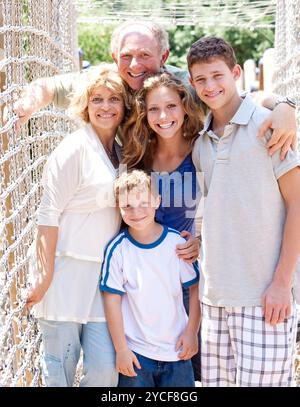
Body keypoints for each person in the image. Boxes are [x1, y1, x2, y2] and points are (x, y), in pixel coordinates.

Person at [13, 21, 297, 159]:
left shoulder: (181, 86)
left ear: (163, 57)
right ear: (114, 57)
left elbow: (237, 97)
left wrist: (284, 104)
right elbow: (47, 87)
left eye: (145, 56)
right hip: (128, 184)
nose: (135, 65)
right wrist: (25, 106)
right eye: (126, 56)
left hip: (180, 178)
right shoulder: (104, 84)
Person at [188, 36, 300, 387]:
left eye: (218, 75)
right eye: (201, 79)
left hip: (264, 295)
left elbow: (297, 203)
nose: (210, 86)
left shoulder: (271, 126)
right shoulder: (200, 143)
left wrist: (282, 283)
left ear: (235, 73)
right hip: (215, 296)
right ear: (192, 83)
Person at [26, 63, 131, 387]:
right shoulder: (73, 149)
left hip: (102, 281)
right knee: (59, 375)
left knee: (104, 372)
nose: (105, 107)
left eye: (114, 99)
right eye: (97, 99)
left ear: (124, 105)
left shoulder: (122, 150)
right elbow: (48, 214)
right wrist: (44, 278)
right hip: (64, 274)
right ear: (85, 103)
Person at [121, 72, 203, 379]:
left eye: (171, 106)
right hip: (142, 277)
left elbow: (223, 203)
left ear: (184, 106)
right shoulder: (138, 154)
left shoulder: (201, 148)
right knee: (145, 369)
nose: (163, 116)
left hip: (182, 271)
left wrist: (200, 240)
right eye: (154, 109)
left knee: (186, 365)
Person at [100, 169, 201, 387]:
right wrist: (121, 349)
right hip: (136, 355)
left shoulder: (176, 244)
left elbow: (195, 289)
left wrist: (192, 332)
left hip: (176, 351)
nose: (136, 212)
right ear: (118, 207)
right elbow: (111, 300)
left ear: (157, 201)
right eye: (127, 206)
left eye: (144, 203)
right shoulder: (118, 249)